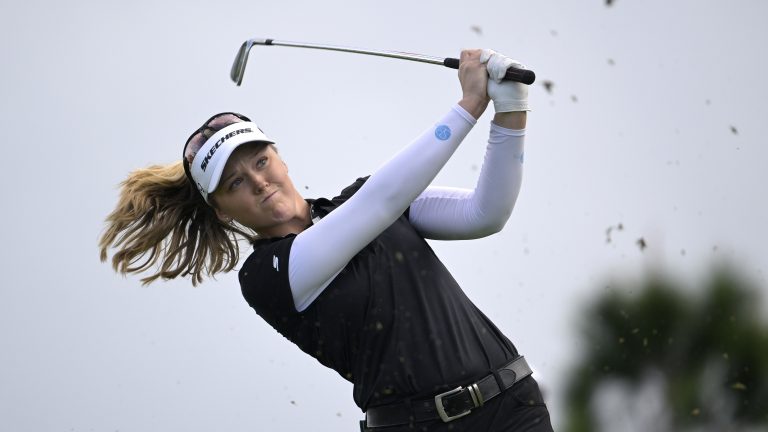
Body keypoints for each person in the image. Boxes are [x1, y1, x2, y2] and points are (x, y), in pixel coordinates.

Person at [100, 49, 553, 431]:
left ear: (280, 157)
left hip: (513, 407)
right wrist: (469, 106)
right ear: (220, 210)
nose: (257, 182)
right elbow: (378, 204)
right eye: (235, 183)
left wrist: (511, 108)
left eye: (260, 161)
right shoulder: (266, 276)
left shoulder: (363, 198)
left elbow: (485, 213)